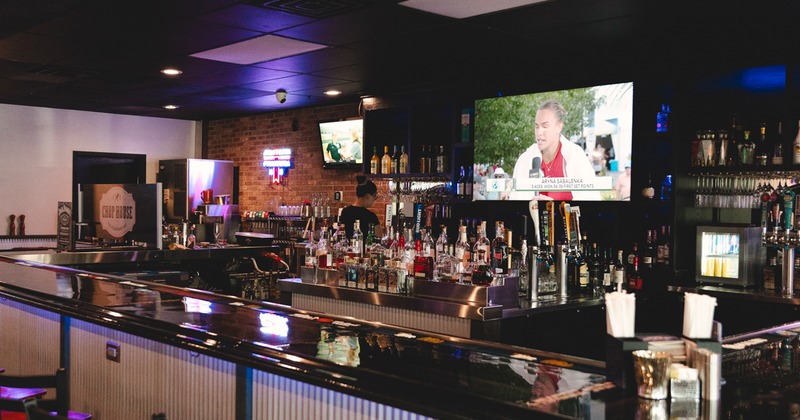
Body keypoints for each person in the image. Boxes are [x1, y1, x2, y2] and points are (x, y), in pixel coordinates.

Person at [510, 100, 600, 201]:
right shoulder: (525, 159)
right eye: (536, 126)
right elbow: (516, 198)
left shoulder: (575, 155)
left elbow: (590, 200)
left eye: (545, 126)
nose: (539, 132)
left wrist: (555, 209)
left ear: (559, 127)